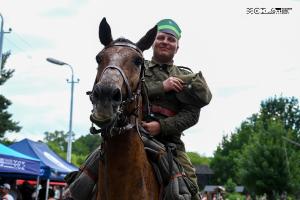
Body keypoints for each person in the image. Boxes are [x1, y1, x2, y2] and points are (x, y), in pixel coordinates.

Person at [142, 19, 212, 200]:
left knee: (190, 187)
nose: (165, 41)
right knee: (86, 175)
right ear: (153, 42)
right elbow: (123, 95)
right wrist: (161, 87)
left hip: (170, 144)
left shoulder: (185, 76)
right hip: (130, 134)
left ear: (177, 48)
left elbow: (191, 115)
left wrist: (161, 127)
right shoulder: (136, 68)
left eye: (171, 39)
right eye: (161, 37)